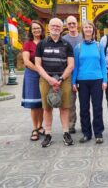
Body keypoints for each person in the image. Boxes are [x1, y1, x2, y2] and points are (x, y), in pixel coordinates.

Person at [35, 18, 75, 148]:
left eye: (58, 26)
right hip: (46, 80)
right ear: (48, 27)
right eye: (53, 26)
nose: (56, 28)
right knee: (47, 107)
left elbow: (71, 65)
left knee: (65, 107)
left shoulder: (66, 44)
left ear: (62, 28)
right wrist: (49, 79)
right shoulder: (41, 44)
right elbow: (38, 64)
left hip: (63, 79)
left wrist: (61, 79)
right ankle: (48, 133)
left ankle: (66, 132)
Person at [72, 21, 107, 144]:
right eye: (85, 27)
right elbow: (75, 66)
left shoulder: (99, 46)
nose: (88, 29)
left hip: (97, 80)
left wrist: (105, 80)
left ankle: (98, 133)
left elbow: (103, 63)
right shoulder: (78, 47)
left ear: (93, 30)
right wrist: (73, 81)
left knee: (97, 107)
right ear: (83, 30)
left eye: (90, 27)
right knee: (84, 108)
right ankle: (86, 133)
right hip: (82, 81)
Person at [21, 20, 45, 141]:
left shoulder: (45, 42)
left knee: (42, 103)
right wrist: (39, 70)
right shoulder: (28, 44)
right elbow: (26, 61)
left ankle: (41, 126)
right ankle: (35, 128)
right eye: (34, 28)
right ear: (31, 31)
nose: (36, 30)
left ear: (42, 29)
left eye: (38, 28)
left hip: (44, 75)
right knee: (34, 103)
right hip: (32, 75)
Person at [61, 16, 83, 134]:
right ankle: (71, 124)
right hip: (69, 74)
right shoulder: (63, 39)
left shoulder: (83, 37)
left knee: (84, 101)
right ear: (67, 25)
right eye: (69, 24)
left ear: (77, 24)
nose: (72, 25)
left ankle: (85, 123)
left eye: (73, 23)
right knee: (71, 101)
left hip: (83, 73)